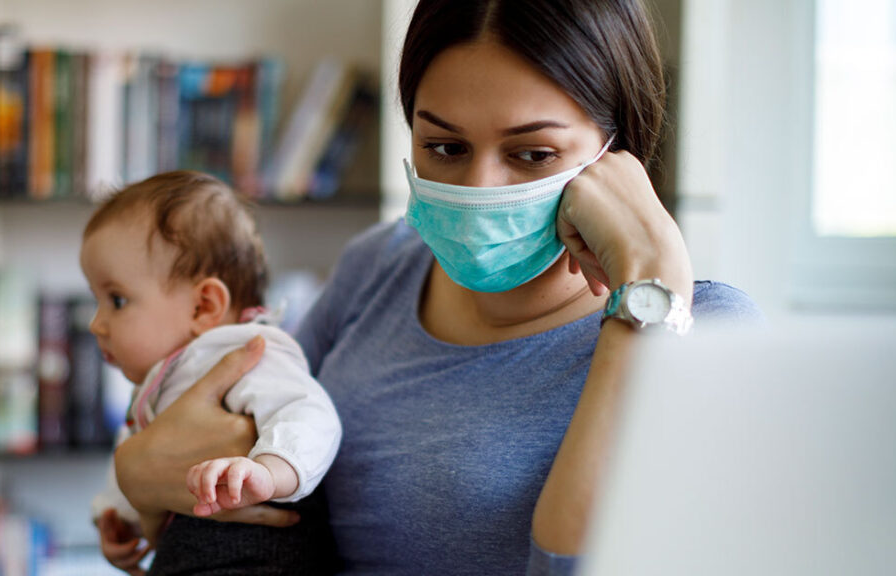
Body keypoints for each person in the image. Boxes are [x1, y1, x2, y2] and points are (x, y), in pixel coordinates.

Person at [113, 1, 763, 575]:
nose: (480, 188)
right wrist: (134, 474)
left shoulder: (704, 330)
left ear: (618, 152)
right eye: (444, 147)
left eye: (532, 154)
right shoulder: (381, 265)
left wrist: (646, 289)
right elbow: (222, 444)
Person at [82, 171, 342, 575]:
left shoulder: (249, 353)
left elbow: (311, 414)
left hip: (258, 559)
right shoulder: (161, 379)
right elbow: (139, 451)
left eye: (116, 300)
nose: (96, 324)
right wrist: (115, 514)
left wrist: (269, 472)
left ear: (204, 306)